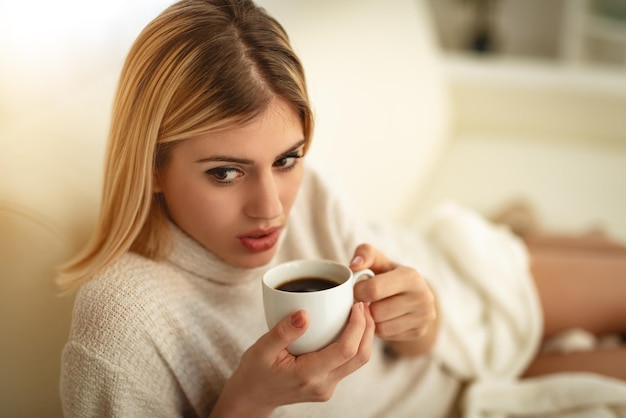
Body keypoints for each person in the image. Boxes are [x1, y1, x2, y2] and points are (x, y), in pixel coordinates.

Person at [58, 0, 626, 416]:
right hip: (460, 400)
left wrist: (419, 319)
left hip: (461, 301)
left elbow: (409, 343)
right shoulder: (124, 325)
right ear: (153, 166)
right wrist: (247, 404)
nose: (271, 209)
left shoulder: (313, 197)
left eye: (286, 159)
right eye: (225, 173)